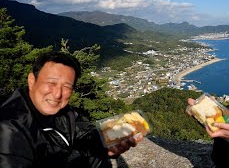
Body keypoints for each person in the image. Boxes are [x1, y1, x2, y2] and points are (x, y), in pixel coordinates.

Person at [0, 51, 143, 168]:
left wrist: (108, 145)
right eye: (51, 82)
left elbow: (84, 134)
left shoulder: (64, 112)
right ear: (32, 80)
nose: (57, 94)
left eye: (67, 87)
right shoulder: (9, 128)